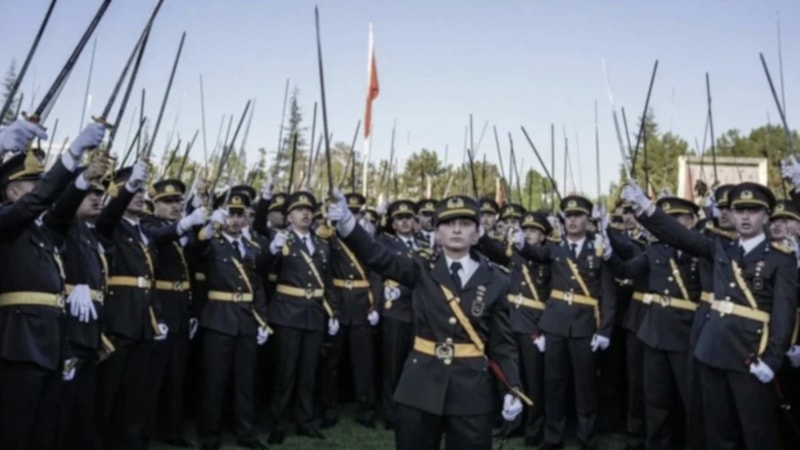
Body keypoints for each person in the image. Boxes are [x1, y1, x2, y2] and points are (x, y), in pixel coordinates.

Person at [328, 192, 525, 450]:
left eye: (465, 224)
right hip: (420, 384)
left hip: (470, 389)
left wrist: (513, 387)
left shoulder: (497, 280)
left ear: (477, 234)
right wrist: (347, 223)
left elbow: (502, 344)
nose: (457, 230)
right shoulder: (420, 267)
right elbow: (378, 256)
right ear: (437, 234)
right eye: (448, 224)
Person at [623, 181, 798, 450]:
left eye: (753, 211)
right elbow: (679, 235)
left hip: (751, 353)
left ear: (766, 216)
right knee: (718, 430)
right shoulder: (721, 248)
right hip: (713, 351)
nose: (745, 217)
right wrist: (647, 207)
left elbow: (784, 315)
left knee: (757, 430)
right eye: (739, 211)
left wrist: (772, 359)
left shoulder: (781, 258)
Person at [0, 120, 105, 449]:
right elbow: (38, 202)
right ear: (12, 192)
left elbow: (60, 210)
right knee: (16, 431)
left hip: (52, 341)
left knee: (44, 431)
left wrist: (83, 177)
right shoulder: (7, 220)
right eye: (34, 184)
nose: (42, 189)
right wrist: (71, 153)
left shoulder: (42, 230)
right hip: (20, 341)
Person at [514, 195, 616, 450]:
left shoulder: (599, 248)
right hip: (555, 325)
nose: (572, 221)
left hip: (585, 326)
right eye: (568, 216)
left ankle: (587, 437)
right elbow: (535, 253)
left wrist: (604, 330)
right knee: (554, 384)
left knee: (585, 386)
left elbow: (608, 294)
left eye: (578, 216)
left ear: (587, 219)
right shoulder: (555, 248)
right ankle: (553, 437)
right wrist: (520, 243)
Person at [608, 196, 702, 450]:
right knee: (655, 398)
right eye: (667, 219)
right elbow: (627, 271)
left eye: (678, 218)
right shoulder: (655, 250)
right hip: (655, 332)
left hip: (687, 333)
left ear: (692, 221)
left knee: (691, 398)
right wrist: (608, 255)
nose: (671, 224)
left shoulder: (702, 249)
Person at [45, 154, 112, 450]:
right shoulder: (61, 224)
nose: (97, 198)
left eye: (100, 193)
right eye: (89, 193)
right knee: (61, 406)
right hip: (67, 329)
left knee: (82, 405)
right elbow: (61, 210)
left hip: (89, 328)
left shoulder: (88, 232)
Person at [195, 190, 269, 450]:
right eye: (231, 214)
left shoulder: (251, 247)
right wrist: (208, 227)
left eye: (240, 215)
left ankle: (246, 433)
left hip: (246, 319)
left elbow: (257, 286)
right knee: (214, 381)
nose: (236, 220)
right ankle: (210, 435)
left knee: (245, 381)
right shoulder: (212, 243)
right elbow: (196, 250)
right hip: (219, 318)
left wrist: (262, 320)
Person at [266, 192, 340, 444]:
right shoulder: (281, 240)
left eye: (308, 210)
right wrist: (273, 250)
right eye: (299, 210)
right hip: (288, 313)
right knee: (285, 373)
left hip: (314, 314)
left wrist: (333, 312)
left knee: (309, 373)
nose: (306, 214)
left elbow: (327, 281)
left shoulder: (321, 243)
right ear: (289, 217)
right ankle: (279, 423)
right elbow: (263, 269)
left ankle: (305, 421)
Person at [478, 211, 552, 447]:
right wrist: (482, 235)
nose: (528, 234)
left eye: (534, 231)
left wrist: (545, 329)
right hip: (511, 319)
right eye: (526, 230)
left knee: (534, 379)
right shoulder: (514, 252)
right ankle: (512, 423)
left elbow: (554, 296)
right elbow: (494, 251)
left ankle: (534, 428)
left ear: (543, 236)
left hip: (533, 324)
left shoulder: (549, 257)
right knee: (511, 376)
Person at [142, 178, 206, 447]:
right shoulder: (148, 224)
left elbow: (195, 267)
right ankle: (145, 430)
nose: (174, 206)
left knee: (176, 375)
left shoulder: (181, 231)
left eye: (178, 202)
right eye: (167, 202)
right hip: (160, 306)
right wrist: (185, 224)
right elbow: (158, 237)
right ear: (155, 204)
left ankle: (172, 428)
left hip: (180, 306)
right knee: (153, 375)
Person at [320, 192, 378, 428]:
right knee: (331, 363)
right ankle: (328, 409)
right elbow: (324, 272)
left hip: (362, 305)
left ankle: (366, 410)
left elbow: (376, 273)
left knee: (364, 363)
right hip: (339, 302)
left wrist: (375, 304)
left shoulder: (367, 237)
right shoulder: (330, 236)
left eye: (356, 212)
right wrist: (331, 308)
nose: (353, 215)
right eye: (349, 211)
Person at [378, 199, 430, 429]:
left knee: (416, 365)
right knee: (392, 365)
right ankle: (391, 414)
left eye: (408, 217)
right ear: (393, 223)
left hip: (419, 310)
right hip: (396, 310)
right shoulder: (387, 244)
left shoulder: (424, 244)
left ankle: (412, 410)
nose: (405, 222)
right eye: (399, 218)